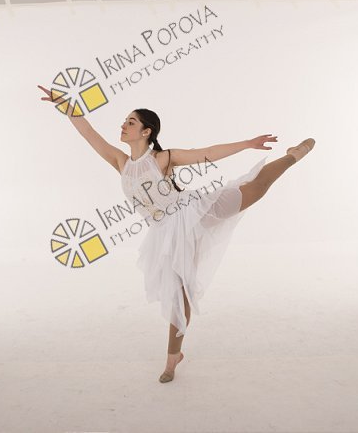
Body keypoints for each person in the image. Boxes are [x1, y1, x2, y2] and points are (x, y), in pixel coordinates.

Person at [37, 86, 315, 383]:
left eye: (131, 122)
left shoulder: (162, 158)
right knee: (178, 295)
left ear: (146, 131)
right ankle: (173, 359)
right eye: (125, 121)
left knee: (256, 187)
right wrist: (67, 106)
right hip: (165, 232)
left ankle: (293, 155)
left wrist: (247, 143)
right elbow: (89, 134)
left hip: (193, 211)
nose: (123, 125)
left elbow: (206, 153)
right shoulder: (121, 162)